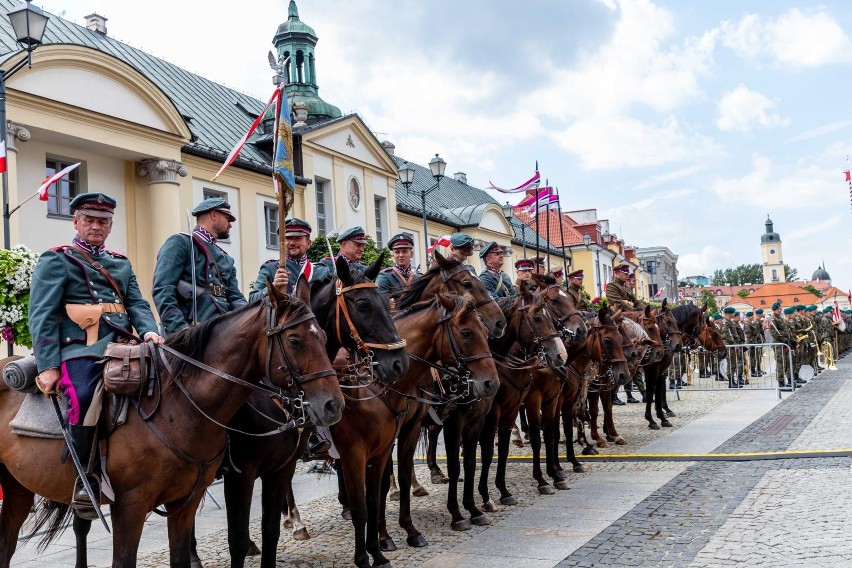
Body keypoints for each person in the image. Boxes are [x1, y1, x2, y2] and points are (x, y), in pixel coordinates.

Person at [29, 192, 165, 519]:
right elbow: (42, 313)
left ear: (110, 225)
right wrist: (48, 365)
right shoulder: (57, 259)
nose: (95, 226)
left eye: (102, 221)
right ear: (75, 221)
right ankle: (85, 477)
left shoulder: (120, 262)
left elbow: (137, 303)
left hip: (124, 342)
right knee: (86, 393)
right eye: (89, 220)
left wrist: (148, 329)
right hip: (79, 347)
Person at [152, 197, 246, 335]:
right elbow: (163, 289)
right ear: (214, 215)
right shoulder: (181, 243)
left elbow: (235, 297)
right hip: (190, 330)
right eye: (228, 218)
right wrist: (180, 330)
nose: (230, 224)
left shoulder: (226, 259)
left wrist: (249, 317)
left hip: (222, 331)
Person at [249, 218, 328, 301]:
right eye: (288, 238)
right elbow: (252, 300)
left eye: (298, 238)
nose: (292, 243)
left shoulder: (321, 271)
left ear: (308, 243)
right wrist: (273, 287)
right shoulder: (270, 268)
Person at [376, 233, 421, 306]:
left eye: (404, 251)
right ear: (393, 255)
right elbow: (380, 301)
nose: (401, 255)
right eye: (397, 252)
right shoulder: (385, 276)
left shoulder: (419, 277)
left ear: (411, 254)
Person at [719, 306, 744, 388]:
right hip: (729, 345)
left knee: (733, 364)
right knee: (731, 363)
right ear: (729, 314)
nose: (734, 314)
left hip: (733, 345)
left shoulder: (730, 322)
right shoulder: (725, 322)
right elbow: (728, 335)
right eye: (733, 313)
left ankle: (733, 381)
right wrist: (735, 345)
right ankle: (731, 382)